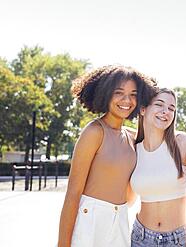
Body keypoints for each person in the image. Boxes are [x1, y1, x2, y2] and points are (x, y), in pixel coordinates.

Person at [58, 65, 155, 247]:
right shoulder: (94, 132)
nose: (127, 100)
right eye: (119, 92)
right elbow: (73, 193)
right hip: (90, 219)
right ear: (106, 93)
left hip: (120, 219)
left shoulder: (133, 137)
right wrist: (63, 244)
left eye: (133, 94)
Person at [130, 88, 186, 247]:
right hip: (141, 238)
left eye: (171, 108)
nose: (166, 112)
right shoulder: (133, 149)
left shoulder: (182, 143)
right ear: (143, 109)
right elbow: (127, 199)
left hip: (179, 239)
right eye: (159, 104)